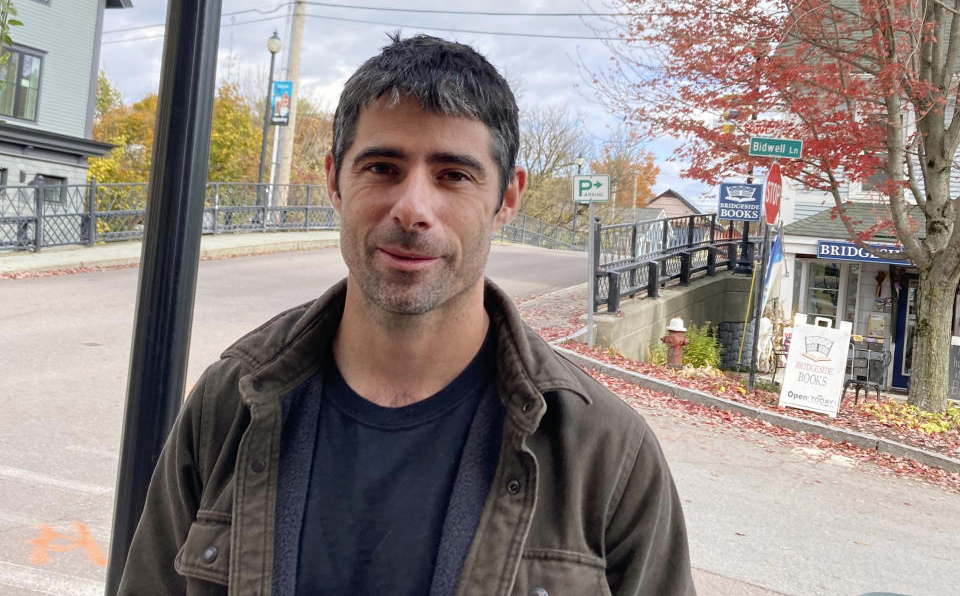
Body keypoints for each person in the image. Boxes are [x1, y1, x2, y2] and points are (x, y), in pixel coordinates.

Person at [118, 34, 695, 596]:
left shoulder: (605, 452)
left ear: (508, 198)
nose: (413, 208)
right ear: (334, 180)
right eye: (382, 167)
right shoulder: (230, 405)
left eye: (454, 175)